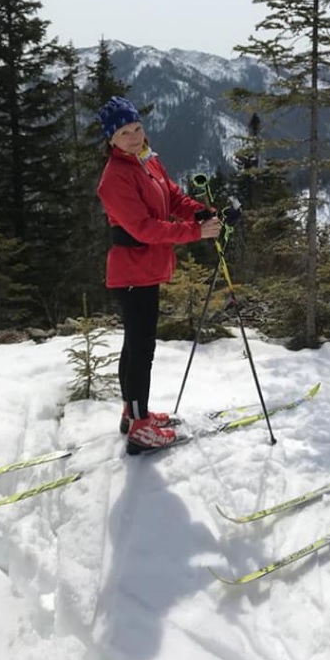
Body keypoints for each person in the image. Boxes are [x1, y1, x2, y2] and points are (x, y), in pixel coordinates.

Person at [95, 96, 223, 455]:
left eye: (137, 128)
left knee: (134, 346)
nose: (134, 137)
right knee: (142, 350)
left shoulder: (147, 162)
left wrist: (201, 213)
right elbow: (145, 230)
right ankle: (139, 428)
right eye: (125, 132)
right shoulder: (115, 179)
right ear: (111, 139)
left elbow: (174, 197)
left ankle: (133, 413)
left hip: (145, 268)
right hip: (132, 270)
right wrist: (196, 233)